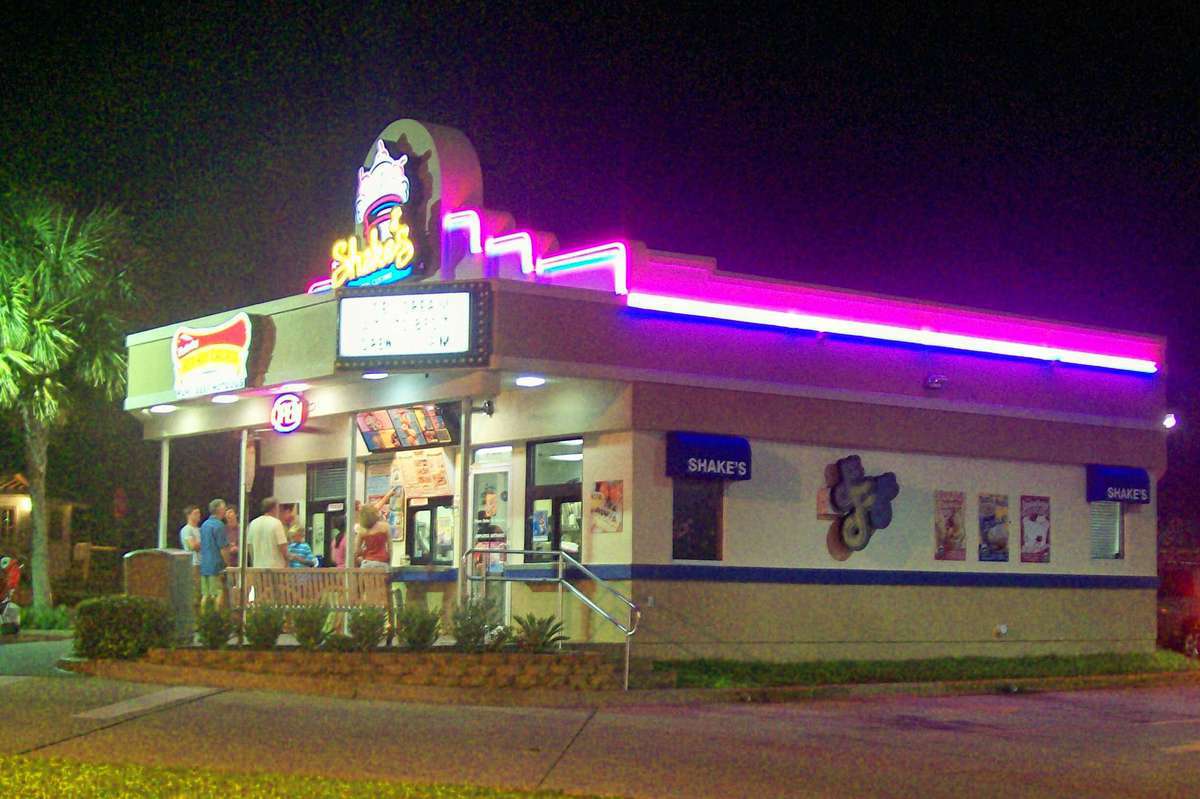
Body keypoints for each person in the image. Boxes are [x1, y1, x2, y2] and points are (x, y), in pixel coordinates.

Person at [199, 498, 230, 606]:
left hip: (204, 564)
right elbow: (223, 548)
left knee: (205, 594)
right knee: (218, 592)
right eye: (224, 507)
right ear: (219, 510)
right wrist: (227, 563)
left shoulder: (204, 525)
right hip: (216, 564)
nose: (226, 510)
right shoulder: (219, 525)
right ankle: (217, 618)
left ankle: (203, 617)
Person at [246, 496, 291, 569]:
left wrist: (254, 561)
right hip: (275, 568)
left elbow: (250, 546)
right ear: (274, 508)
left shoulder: (253, 523)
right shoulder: (276, 523)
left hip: (258, 568)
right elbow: (282, 546)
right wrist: (287, 561)